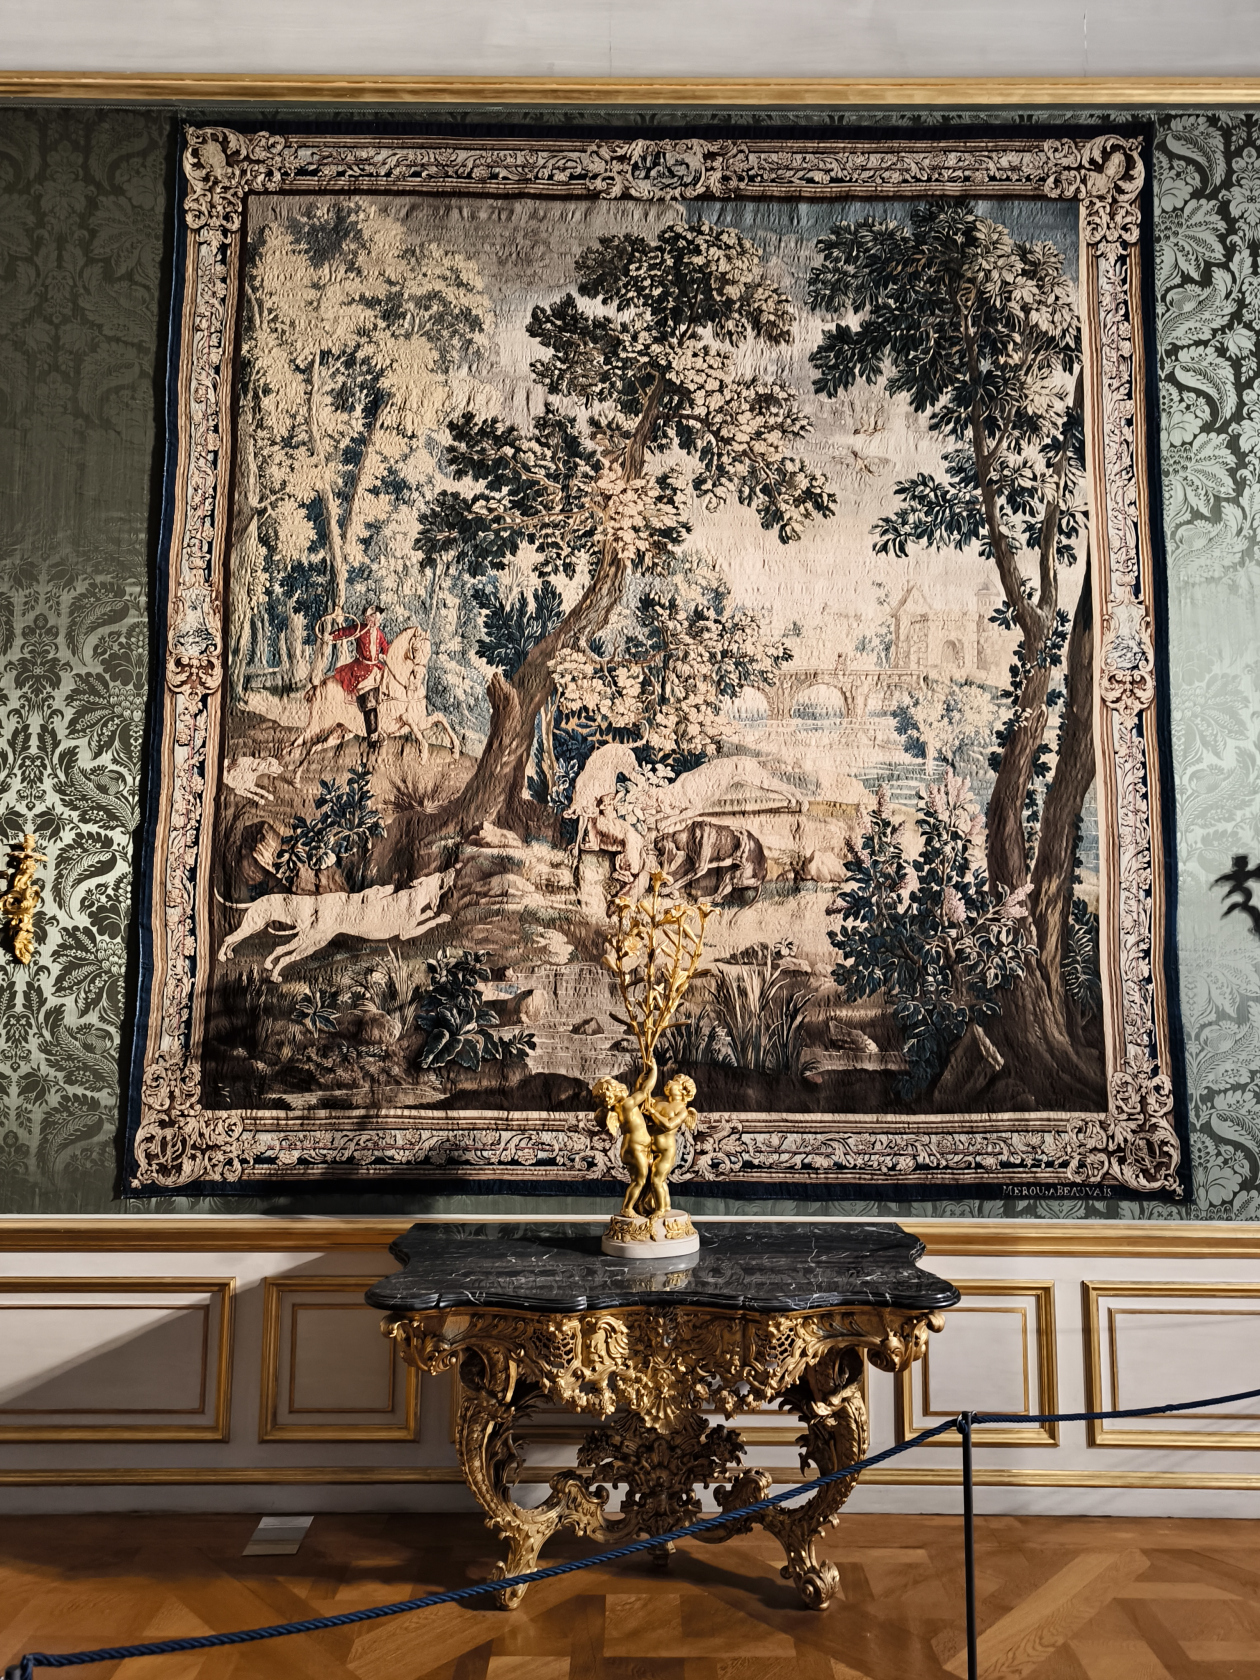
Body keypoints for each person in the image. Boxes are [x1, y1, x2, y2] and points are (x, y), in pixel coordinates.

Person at [593, 1060, 659, 1219]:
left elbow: (639, 1093)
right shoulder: (626, 1104)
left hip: (637, 1148)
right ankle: (627, 1208)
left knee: (645, 1179)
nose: (621, 1086)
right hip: (635, 1148)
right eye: (616, 1086)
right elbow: (645, 1091)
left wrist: (638, 1082)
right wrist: (654, 1070)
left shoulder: (623, 1105)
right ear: (613, 1093)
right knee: (639, 1180)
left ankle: (639, 1205)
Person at [326, 605, 389, 745]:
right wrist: (331, 636)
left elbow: (385, 646)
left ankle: (384, 727)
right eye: (375, 617)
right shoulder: (360, 629)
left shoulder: (379, 633)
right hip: (360, 669)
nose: (378, 620)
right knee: (369, 699)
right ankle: (372, 736)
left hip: (375, 668)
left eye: (378, 618)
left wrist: (385, 654)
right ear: (368, 618)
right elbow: (345, 632)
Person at [645, 1075, 698, 1217]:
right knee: (652, 1180)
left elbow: (668, 1125)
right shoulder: (659, 1101)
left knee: (657, 1179)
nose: (669, 1081)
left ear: (683, 1089)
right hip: (649, 1148)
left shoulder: (682, 1110)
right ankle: (664, 1205)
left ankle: (660, 1210)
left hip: (666, 1151)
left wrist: (653, 1112)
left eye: (675, 1082)